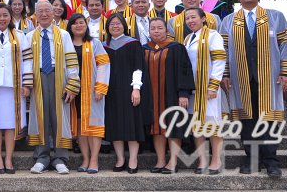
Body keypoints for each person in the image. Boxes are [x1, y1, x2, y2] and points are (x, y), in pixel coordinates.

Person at [220, 0, 287, 178]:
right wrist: (225, 74)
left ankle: (271, 161)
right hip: (240, 78)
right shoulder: (228, 20)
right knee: (246, 119)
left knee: (269, 118)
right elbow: (223, 51)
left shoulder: (275, 17)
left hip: (270, 78)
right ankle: (252, 159)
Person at [0, 4, 33, 174]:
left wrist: (27, 83)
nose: (2, 19)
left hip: (13, 86)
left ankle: (9, 159)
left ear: (10, 17)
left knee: (10, 124)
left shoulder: (20, 35)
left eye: (5, 15)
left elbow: (28, 60)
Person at [27, 0, 80, 174]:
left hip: (59, 77)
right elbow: (26, 62)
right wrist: (27, 83)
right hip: (38, 77)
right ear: (35, 14)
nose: (43, 14)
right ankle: (41, 157)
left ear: (53, 13)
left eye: (47, 11)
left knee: (59, 118)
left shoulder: (63, 35)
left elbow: (71, 60)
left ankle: (60, 158)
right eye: (40, 11)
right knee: (41, 117)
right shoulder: (29, 36)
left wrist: (72, 84)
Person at [142, 17, 194, 174]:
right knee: (156, 128)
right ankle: (160, 160)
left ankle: (173, 161)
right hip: (151, 96)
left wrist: (183, 93)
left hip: (171, 95)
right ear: (149, 31)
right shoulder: (144, 48)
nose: (156, 31)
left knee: (173, 126)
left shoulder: (177, 48)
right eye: (153, 28)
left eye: (159, 28)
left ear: (166, 30)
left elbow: (184, 71)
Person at [184, 8, 227, 174]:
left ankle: (216, 160)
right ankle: (202, 160)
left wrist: (213, 85)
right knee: (197, 125)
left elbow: (219, 60)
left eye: (193, 17)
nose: (190, 20)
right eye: (188, 18)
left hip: (209, 89)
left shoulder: (212, 35)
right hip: (194, 89)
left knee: (212, 124)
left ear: (203, 18)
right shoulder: (188, 38)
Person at [67, 14, 109, 173]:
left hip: (92, 92)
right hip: (73, 93)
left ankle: (94, 160)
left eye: (81, 23)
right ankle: (85, 158)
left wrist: (100, 87)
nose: (78, 25)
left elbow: (103, 64)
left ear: (86, 25)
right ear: (70, 26)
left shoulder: (94, 43)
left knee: (94, 125)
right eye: (75, 23)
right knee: (80, 128)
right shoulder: (66, 43)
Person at [104, 13, 146, 173]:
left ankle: (133, 159)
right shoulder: (104, 46)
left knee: (131, 123)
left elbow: (138, 67)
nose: (115, 26)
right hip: (111, 90)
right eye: (112, 24)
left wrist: (136, 88)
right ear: (107, 27)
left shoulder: (133, 44)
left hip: (129, 89)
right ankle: (120, 158)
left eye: (118, 23)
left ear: (124, 26)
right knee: (115, 124)